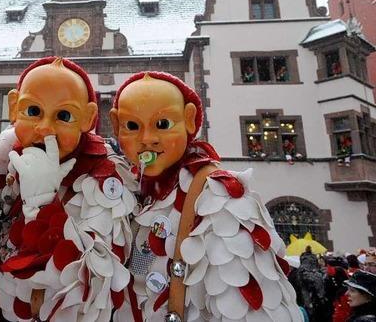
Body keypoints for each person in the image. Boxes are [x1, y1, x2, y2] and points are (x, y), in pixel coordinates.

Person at [110, 71, 302, 320]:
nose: (148, 139)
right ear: (116, 127)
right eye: (132, 126)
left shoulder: (220, 195)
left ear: (189, 120)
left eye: (163, 124)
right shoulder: (135, 191)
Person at [0, 57, 135, 321]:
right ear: (13, 108)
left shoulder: (104, 176)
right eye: (32, 111)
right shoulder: (7, 153)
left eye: (64, 116)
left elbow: (98, 273)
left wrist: (44, 203)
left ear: (88, 118)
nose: (45, 129)